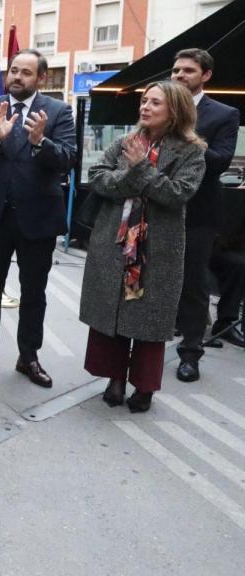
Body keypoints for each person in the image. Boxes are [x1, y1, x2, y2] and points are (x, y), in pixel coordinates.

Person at [81, 81, 206, 413]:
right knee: (115, 310)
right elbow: (96, 177)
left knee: (149, 319)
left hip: (158, 248)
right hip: (115, 242)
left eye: (155, 103)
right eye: (144, 101)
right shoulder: (125, 142)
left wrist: (141, 170)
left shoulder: (191, 151)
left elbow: (178, 193)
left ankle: (144, 386)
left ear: (175, 110)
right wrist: (132, 178)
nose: (145, 107)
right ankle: (115, 378)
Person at [0, 48, 76, 388]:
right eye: (14, 70)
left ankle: (28, 356)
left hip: (37, 217)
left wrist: (40, 141)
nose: (17, 76)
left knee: (34, 292)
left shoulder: (58, 111)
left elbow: (69, 158)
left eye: (26, 72)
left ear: (41, 78)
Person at [170, 48, 240, 382]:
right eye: (176, 71)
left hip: (198, 213)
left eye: (187, 71)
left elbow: (220, 162)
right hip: (157, 207)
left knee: (194, 284)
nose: (179, 76)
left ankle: (190, 354)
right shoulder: (159, 104)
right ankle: (150, 343)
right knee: (154, 278)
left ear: (205, 75)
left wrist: (187, 136)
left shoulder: (224, 114)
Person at [208, 192, 245, 348]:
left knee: (239, 264)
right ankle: (181, 319)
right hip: (203, 238)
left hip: (229, 244)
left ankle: (224, 323)